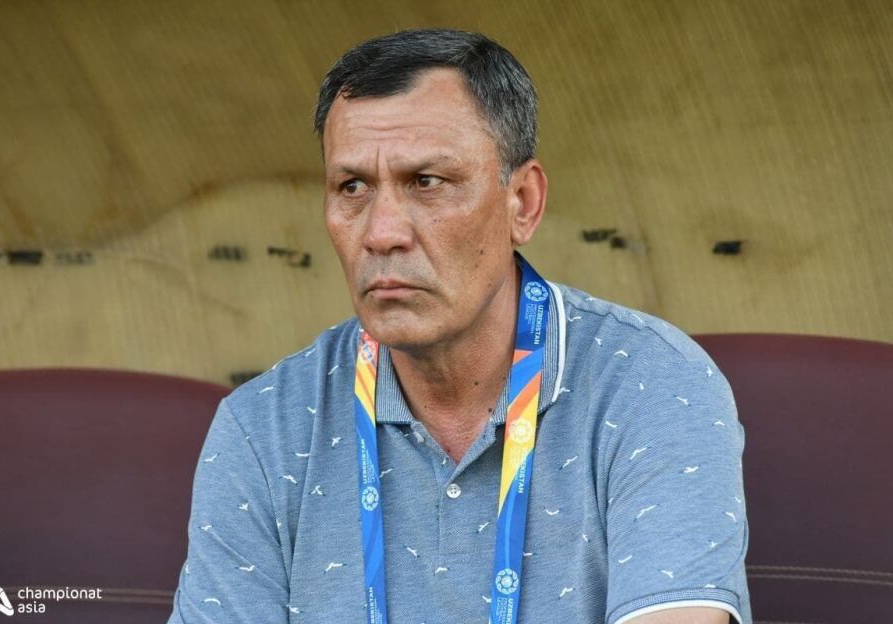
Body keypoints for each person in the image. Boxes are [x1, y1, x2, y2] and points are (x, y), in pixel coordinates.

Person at [167, 28, 750, 624]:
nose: (381, 233)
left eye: (427, 182)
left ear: (523, 203)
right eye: (352, 187)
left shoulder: (651, 385)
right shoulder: (265, 426)